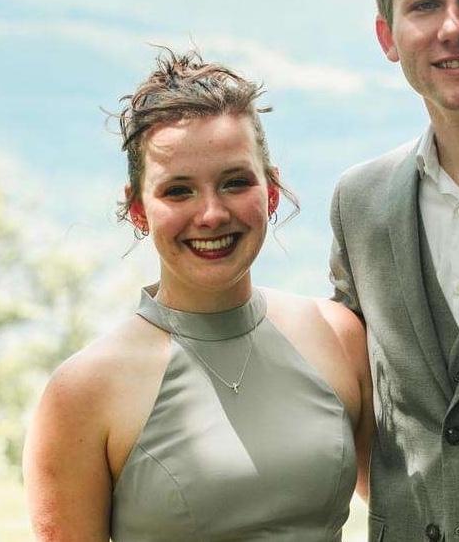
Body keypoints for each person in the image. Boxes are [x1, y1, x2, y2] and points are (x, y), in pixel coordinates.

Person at [23, 49, 373, 542]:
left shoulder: (338, 336)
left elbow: (409, 506)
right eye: (178, 191)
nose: (211, 214)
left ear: (271, 191)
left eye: (235, 183)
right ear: (138, 209)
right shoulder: (83, 392)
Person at [329, 0, 459, 540]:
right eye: (425, 4)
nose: (454, 27)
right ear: (387, 37)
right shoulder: (359, 203)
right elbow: (362, 403)